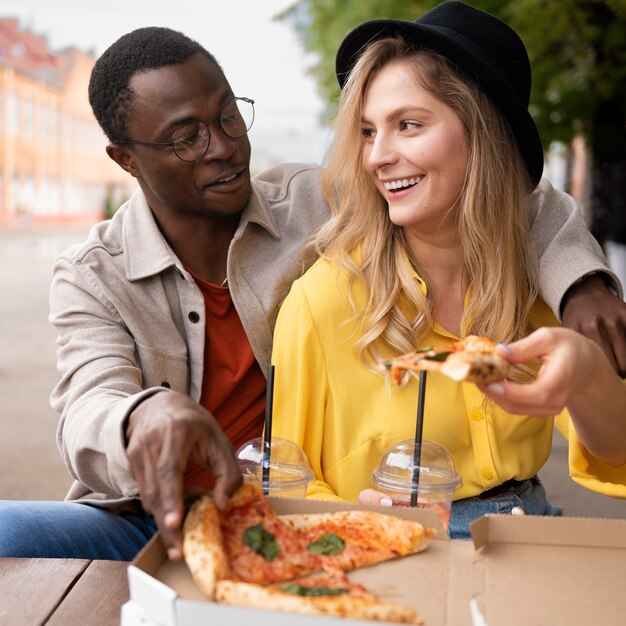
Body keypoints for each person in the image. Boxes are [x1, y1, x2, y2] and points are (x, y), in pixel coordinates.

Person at [0, 22, 623, 561]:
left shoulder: (309, 200)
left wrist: (583, 280)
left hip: (277, 505)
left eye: (227, 115)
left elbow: (497, 187)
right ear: (126, 160)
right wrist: (139, 416)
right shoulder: (93, 275)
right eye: (186, 137)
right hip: (149, 519)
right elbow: (87, 406)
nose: (223, 147)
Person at [270, 1, 626, 539]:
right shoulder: (320, 302)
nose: (377, 156)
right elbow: (282, 488)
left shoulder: (542, 288)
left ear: (482, 135)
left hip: (531, 534)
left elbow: (616, 451)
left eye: (407, 125)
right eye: (368, 132)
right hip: (386, 552)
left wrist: (590, 373)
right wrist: (357, 519)